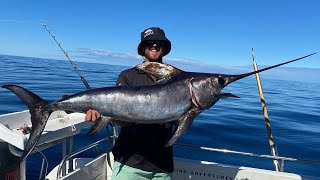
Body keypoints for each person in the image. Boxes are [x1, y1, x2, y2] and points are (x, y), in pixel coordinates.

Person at [85, 27, 174, 179]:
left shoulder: (175, 78)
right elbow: (123, 120)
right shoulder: (128, 76)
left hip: (163, 165)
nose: (154, 45)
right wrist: (102, 115)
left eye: (159, 42)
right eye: (149, 42)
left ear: (165, 48)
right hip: (129, 162)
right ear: (142, 48)